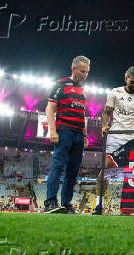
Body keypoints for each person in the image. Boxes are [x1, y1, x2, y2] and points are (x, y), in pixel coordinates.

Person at [92, 66, 134, 215]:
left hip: (133, 140)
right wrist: (105, 125)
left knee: (130, 174)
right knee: (105, 171)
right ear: (126, 79)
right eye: (132, 82)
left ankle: (126, 208)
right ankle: (99, 205)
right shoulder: (115, 92)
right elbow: (106, 113)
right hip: (115, 137)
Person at [44, 56, 90, 214]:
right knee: (57, 166)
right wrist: (52, 130)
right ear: (74, 69)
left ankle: (66, 205)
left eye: (87, 72)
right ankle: (50, 202)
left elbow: (81, 115)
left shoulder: (83, 91)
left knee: (73, 171)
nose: (85, 75)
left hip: (78, 134)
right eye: (82, 71)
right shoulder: (60, 84)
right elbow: (50, 108)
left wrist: (85, 135)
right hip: (64, 131)